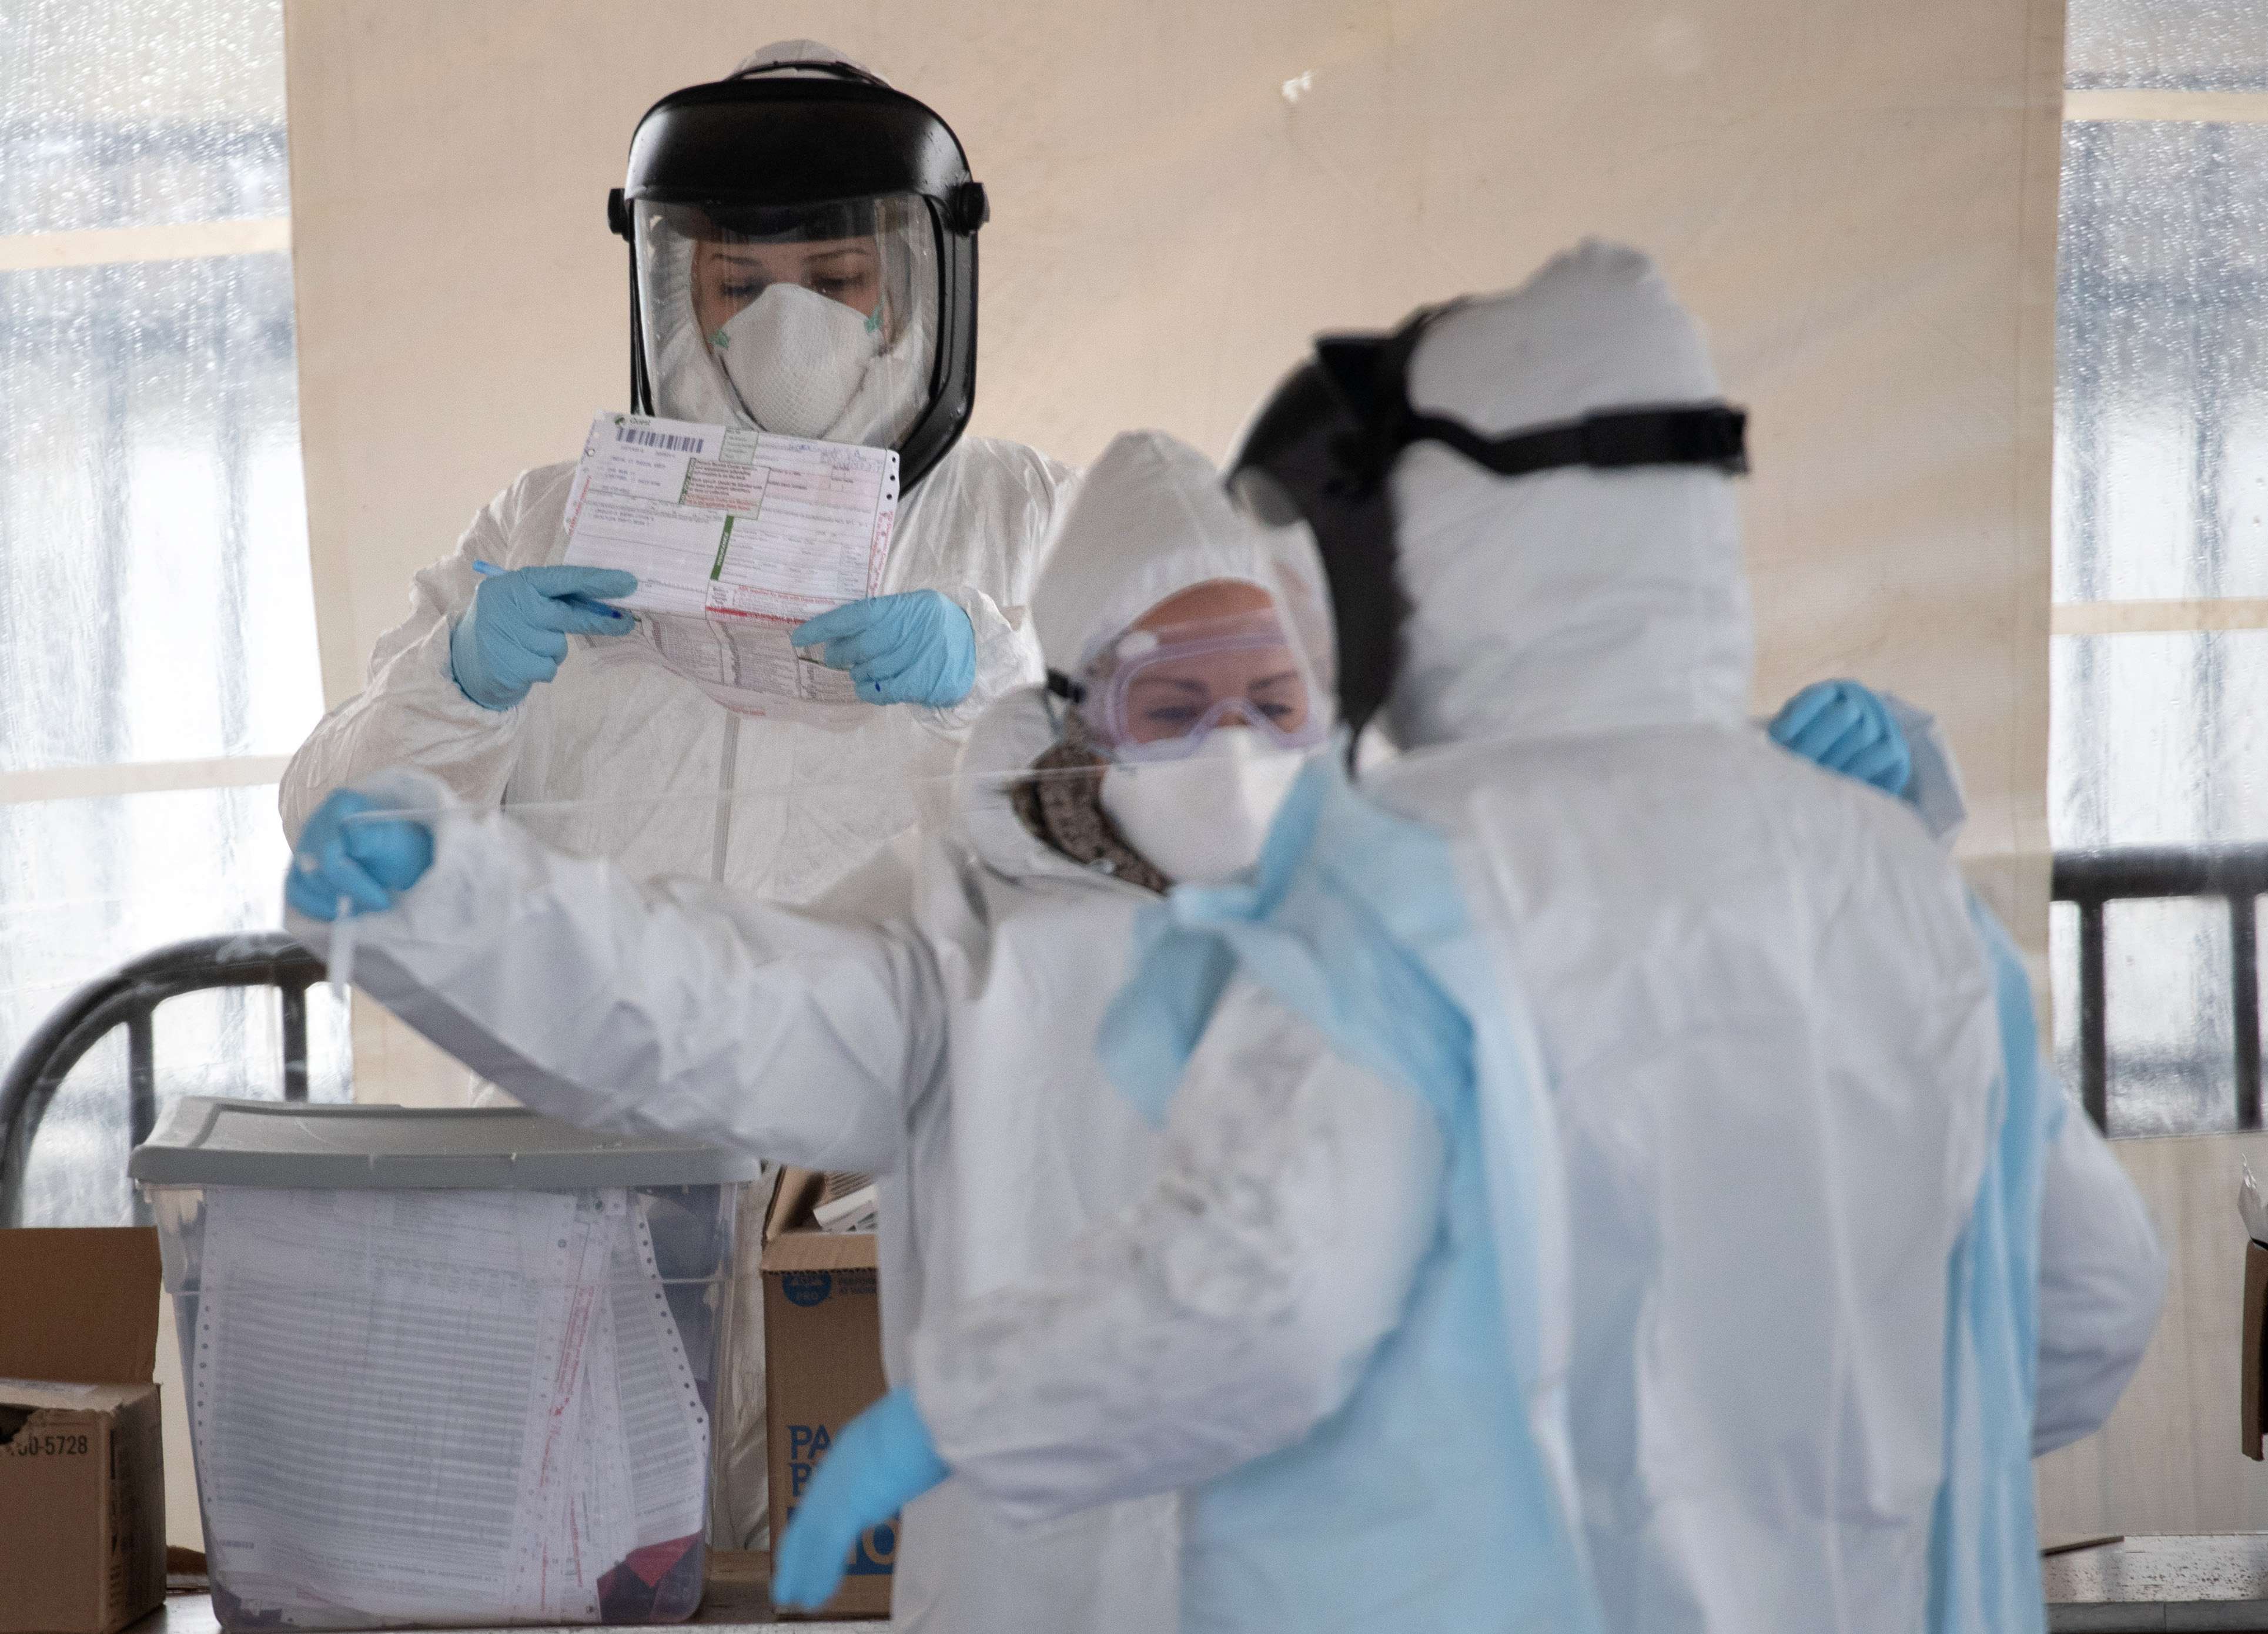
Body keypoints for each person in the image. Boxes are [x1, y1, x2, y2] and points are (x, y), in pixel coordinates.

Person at [772, 243, 2166, 1633]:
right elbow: (2094, 1300)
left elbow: (1270, 1314)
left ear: (1447, 538)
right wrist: (1810, 1482)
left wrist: (961, 1415)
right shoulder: (1886, 868)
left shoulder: (1397, 886)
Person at [278, 429, 1340, 1634]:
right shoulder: (973, 952)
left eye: (1269, 696)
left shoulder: (1424, 947)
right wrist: (460, 906)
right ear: (1086, 714)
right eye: (1174, 701)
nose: (1231, 748)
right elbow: (707, 1009)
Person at [277, 42, 1075, 1547]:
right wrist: (460, 675)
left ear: (926, 281)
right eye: (734, 284)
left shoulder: (1027, 521)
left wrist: (987, 664)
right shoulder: (550, 519)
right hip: (600, 1233)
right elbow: (335, 821)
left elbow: (1173, 830)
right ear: (665, 293)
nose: (785, 325)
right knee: (616, 1570)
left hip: (886, 1228)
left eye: (838, 277)